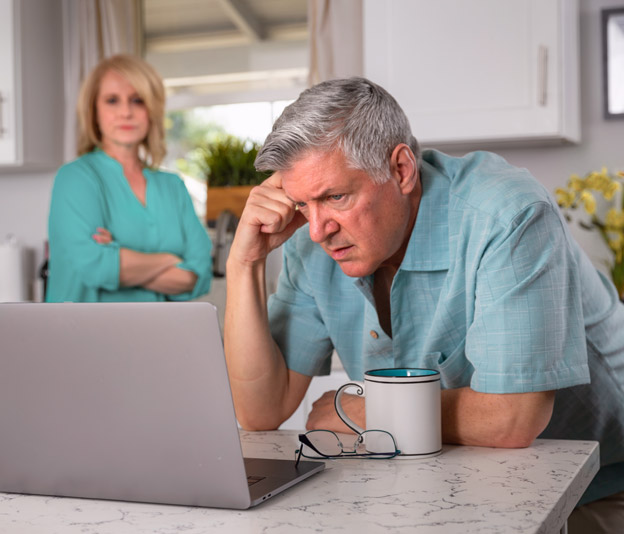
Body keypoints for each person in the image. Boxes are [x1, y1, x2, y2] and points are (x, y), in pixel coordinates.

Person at [223, 76, 624, 532]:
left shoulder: (507, 214)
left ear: (401, 169)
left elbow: (512, 419)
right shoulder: (310, 241)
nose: (317, 229)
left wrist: (358, 408)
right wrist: (246, 263)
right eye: (301, 204)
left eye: (336, 197)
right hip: (449, 487)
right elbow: (260, 411)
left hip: (597, 486)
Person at [47, 54, 212, 303]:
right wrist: (171, 261)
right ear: (94, 111)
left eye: (137, 100)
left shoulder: (173, 187)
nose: (126, 112)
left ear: (151, 110)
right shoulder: (75, 179)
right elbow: (95, 267)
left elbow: (199, 276)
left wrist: (120, 256)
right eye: (112, 101)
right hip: (83, 338)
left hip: (160, 338)